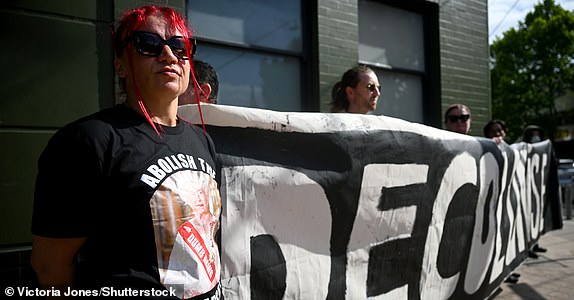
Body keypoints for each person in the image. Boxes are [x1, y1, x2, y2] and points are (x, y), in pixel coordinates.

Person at [30, 5, 222, 299]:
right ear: (120, 64)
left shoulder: (203, 141)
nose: (168, 55)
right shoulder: (88, 140)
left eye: (180, 47)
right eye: (148, 44)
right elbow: (50, 268)